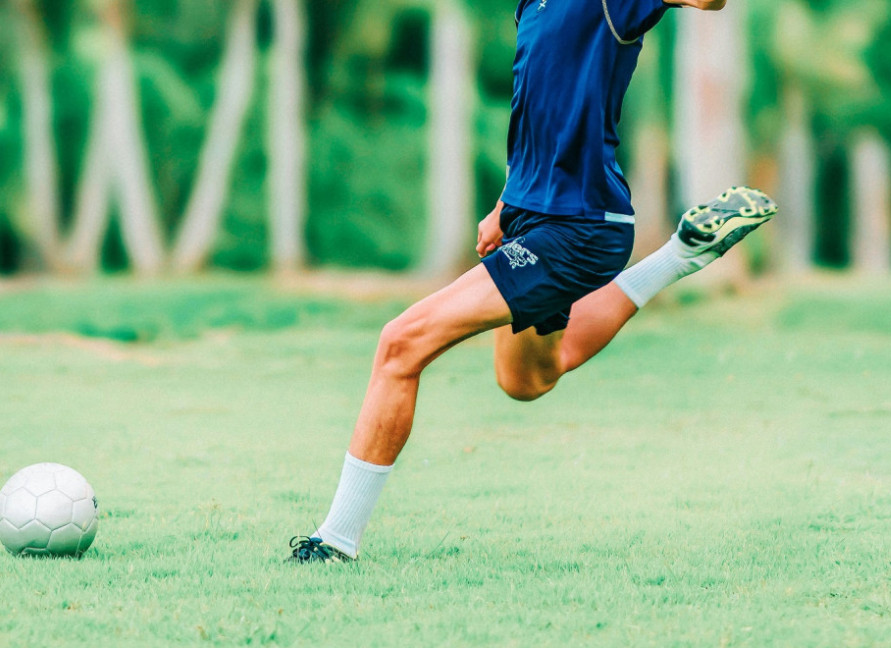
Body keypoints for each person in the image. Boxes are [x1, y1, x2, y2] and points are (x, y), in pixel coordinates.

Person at [288, 0, 777, 563]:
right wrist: (505, 203)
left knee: (401, 343)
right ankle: (680, 255)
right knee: (525, 379)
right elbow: (540, 112)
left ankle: (335, 542)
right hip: (533, 216)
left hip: (578, 228)